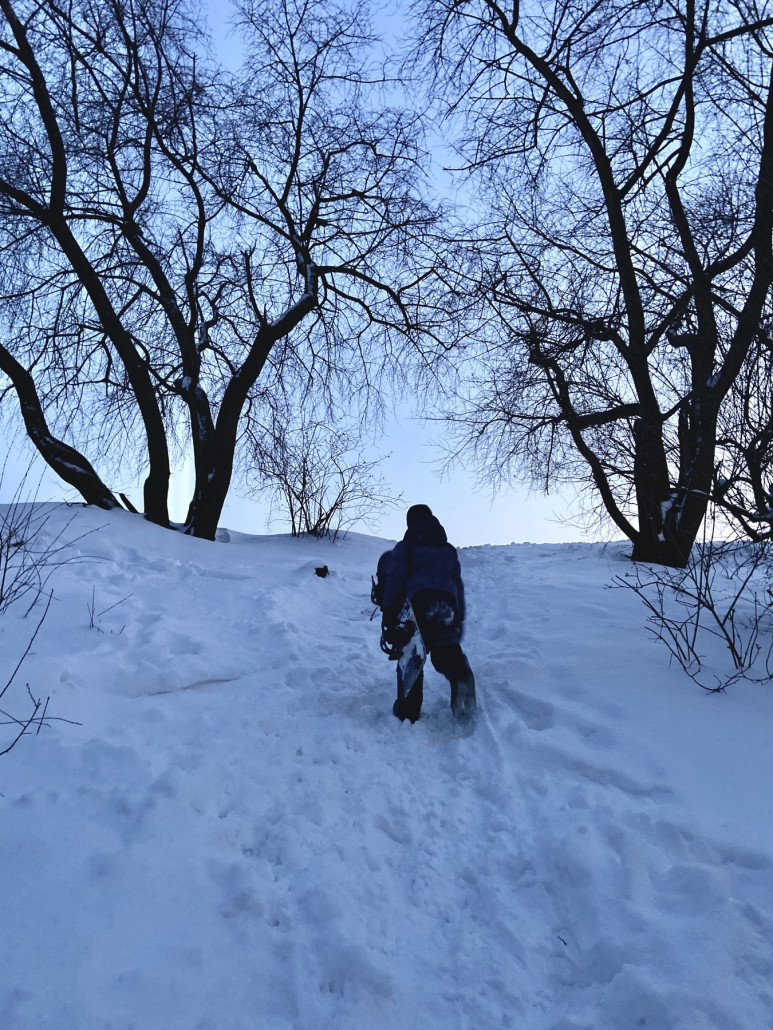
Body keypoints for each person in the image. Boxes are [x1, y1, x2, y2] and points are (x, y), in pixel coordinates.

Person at [380, 504, 476, 722]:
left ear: (410, 523)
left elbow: (396, 579)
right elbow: (458, 585)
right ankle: (461, 677)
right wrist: (458, 618)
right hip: (446, 606)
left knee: (412, 654)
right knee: (446, 650)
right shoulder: (448, 550)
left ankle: (408, 710)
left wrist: (389, 609)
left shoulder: (407, 546)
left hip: (418, 604)